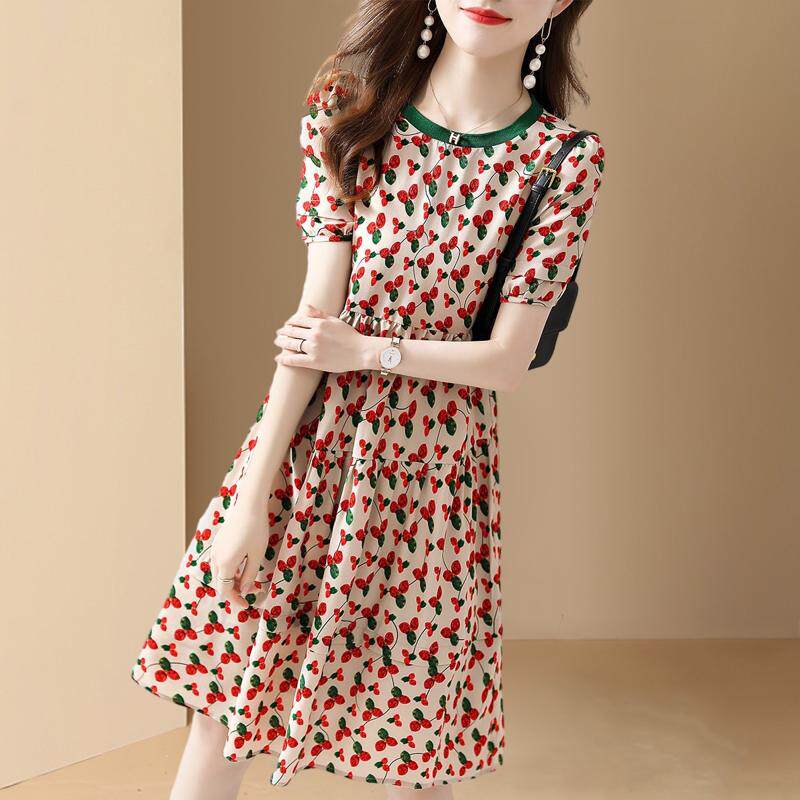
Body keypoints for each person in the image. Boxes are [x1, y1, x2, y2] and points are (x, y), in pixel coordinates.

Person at [130, 1, 606, 797]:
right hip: (312, 451)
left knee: (418, 741)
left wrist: (367, 352)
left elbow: (507, 361)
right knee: (226, 699)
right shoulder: (351, 111)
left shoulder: (561, 161)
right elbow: (314, 316)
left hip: (434, 481)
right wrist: (253, 495)